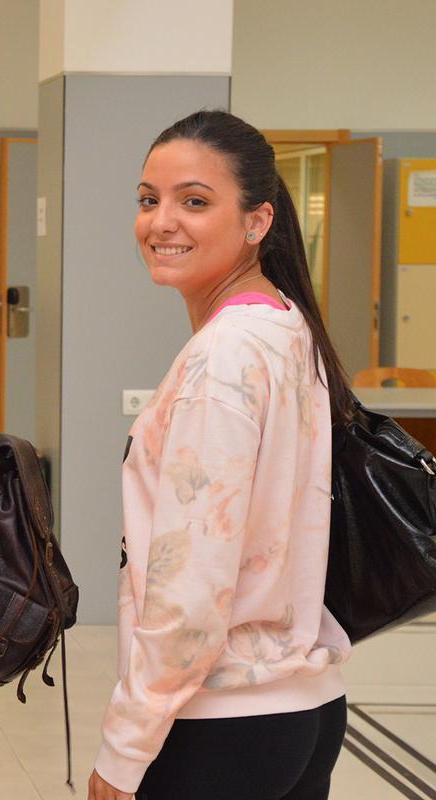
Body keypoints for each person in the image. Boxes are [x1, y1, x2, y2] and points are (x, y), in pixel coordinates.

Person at [89, 110, 353, 800]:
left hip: (220, 725)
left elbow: (192, 589)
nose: (161, 221)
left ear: (258, 221)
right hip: (303, 709)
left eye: (195, 202)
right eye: (150, 200)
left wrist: (124, 747)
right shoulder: (286, 325)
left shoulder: (224, 357)